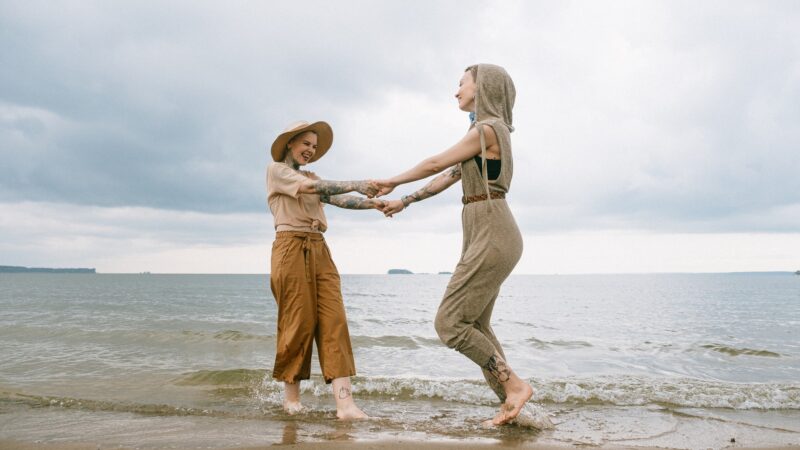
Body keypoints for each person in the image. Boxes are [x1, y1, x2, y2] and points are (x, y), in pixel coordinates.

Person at [376, 64, 549, 427]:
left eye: (461, 84)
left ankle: (515, 387)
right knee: (478, 325)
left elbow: (435, 161)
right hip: (486, 230)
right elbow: (447, 175)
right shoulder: (482, 135)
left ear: (481, 88)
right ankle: (511, 407)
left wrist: (391, 180)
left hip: (492, 230)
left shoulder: (487, 129)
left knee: (449, 323)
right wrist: (404, 201)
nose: (456, 91)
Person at [267, 120, 381, 420]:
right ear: (290, 143)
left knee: (335, 320)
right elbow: (311, 187)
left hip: (320, 248)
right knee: (298, 321)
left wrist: (376, 204)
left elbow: (336, 198)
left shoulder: (314, 177)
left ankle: (345, 406)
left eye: (314, 147)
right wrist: (357, 182)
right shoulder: (277, 171)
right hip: (290, 246)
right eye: (306, 143)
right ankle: (291, 401)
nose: (310, 150)